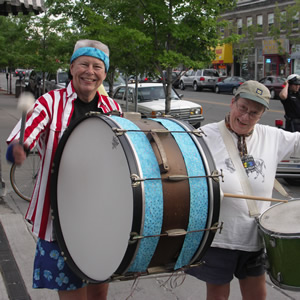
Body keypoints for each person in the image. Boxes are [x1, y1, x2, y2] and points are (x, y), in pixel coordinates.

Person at [6, 39, 122, 300]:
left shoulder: (114, 109)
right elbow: (25, 135)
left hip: (102, 216)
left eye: (97, 66)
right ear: (72, 68)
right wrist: (19, 148)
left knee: (99, 292)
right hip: (59, 216)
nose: (89, 72)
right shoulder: (50, 102)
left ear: (104, 73)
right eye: (83, 64)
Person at [186, 81, 300, 300]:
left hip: (255, 238)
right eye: (243, 108)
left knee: (257, 296)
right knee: (218, 296)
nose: (246, 117)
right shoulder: (203, 136)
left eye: (254, 113)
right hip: (219, 237)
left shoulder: (272, 136)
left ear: (262, 114)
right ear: (232, 103)